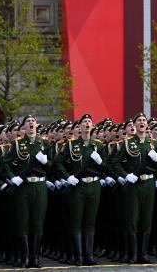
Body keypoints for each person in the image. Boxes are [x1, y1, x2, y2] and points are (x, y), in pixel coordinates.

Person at [51, 113, 107, 266]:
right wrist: (67, 177)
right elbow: (57, 163)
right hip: (78, 186)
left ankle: (89, 256)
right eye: (85, 122)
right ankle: (78, 256)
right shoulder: (71, 145)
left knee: (90, 222)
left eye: (90, 121)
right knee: (76, 221)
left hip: (94, 186)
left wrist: (100, 161)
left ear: (92, 126)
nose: (88, 123)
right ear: (80, 127)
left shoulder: (99, 145)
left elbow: (106, 168)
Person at [0, 115, 49, 268]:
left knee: (38, 223)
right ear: (24, 128)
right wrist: (12, 178)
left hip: (40, 186)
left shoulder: (44, 143)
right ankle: (25, 257)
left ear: (37, 125)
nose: (31, 123)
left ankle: (35, 258)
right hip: (23, 187)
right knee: (23, 221)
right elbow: (4, 163)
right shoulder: (18, 144)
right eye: (28, 122)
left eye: (33, 121)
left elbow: (53, 164)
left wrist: (47, 162)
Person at [109, 113, 157, 264]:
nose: (142, 122)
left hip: (149, 184)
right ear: (135, 125)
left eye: (144, 120)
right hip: (134, 185)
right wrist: (125, 176)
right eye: (139, 121)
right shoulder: (127, 143)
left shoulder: (153, 144)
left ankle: (143, 254)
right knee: (132, 219)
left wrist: (156, 159)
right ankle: (133, 253)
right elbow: (115, 163)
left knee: (146, 220)